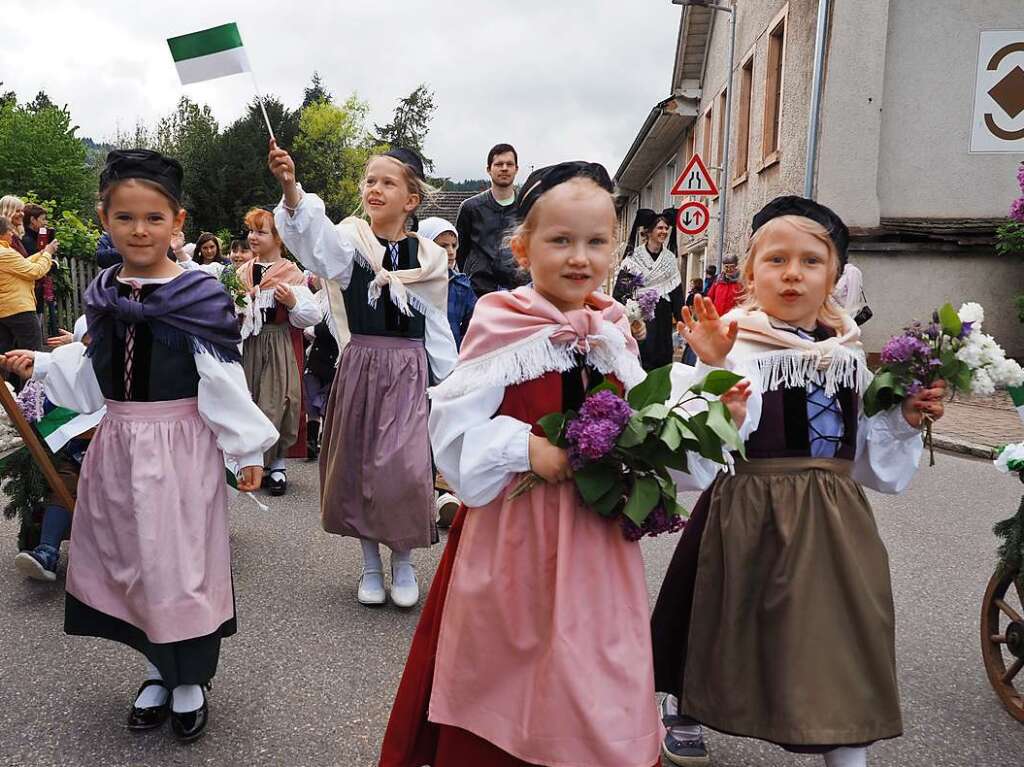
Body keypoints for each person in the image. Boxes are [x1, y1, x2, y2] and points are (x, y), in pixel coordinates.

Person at [377, 161, 751, 767]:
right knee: (508, 674)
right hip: (512, 541)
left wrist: (711, 398)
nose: (580, 257)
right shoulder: (501, 323)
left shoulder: (612, 333)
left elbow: (647, 446)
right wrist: (525, 448)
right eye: (560, 241)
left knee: (594, 677)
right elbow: (450, 434)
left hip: (597, 547)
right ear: (523, 247)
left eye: (596, 242)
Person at [650, 196, 947, 767]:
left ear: (835, 277)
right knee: (718, 615)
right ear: (750, 274)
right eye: (776, 260)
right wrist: (713, 371)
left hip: (834, 516)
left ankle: (845, 747)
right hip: (748, 504)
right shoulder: (733, 338)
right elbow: (695, 439)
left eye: (811, 261)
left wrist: (905, 421)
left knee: (844, 629)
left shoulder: (848, 354)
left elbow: (865, 459)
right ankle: (686, 705)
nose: (792, 273)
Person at [0, 149, 277, 743]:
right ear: (105, 220)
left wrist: (247, 451)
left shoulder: (198, 297)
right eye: (125, 217)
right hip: (120, 443)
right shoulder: (103, 295)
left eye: (154, 217)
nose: (140, 229)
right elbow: (90, 371)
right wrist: (43, 365)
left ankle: (189, 682)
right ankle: (155, 669)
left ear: (177, 222)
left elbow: (222, 381)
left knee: (180, 564)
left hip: (179, 449)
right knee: (135, 562)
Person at [269, 140, 457, 609]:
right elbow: (315, 244)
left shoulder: (429, 259)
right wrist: (292, 189)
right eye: (370, 181)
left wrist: (452, 385)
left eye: (387, 182)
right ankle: (370, 565)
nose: (375, 189)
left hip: (409, 371)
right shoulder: (351, 243)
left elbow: (436, 325)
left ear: (411, 200)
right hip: (361, 366)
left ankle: (404, 561)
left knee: (405, 470)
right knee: (361, 467)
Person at [237, 207, 321, 496]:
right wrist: (240, 306)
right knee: (250, 398)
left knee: (279, 400)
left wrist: (292, 303)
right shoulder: (242, 273)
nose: (253, 237)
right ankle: (251, 462)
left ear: (278, 237)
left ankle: (278, 464)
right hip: (250, 344)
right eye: (251, 231)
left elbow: (311, 316)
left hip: (279, 342)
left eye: (261, 231)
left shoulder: (291, 273)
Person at [616, 207, 685, 370]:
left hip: (663, 318)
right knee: (640, 359)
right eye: (660, 228)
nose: (664, 231)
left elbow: (676, 294)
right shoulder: (634, 258)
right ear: (649, 231)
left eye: (666, 228)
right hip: (640, 317)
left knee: (662, 361)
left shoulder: (669, 259)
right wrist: (627, 313)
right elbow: (621, 292)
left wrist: (683, 322)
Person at [455, 143, 524, 296]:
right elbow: (461, 251)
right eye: (499, 164)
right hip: (479, 291)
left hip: (519, 291)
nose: (504, 168)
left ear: (516, 169)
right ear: (488, 169)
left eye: (509, 164)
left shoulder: (526, 207)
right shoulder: (470, 208)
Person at [0, 214, 55, 356]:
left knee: (7, 356)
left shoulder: (5, 252)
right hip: (19, 309)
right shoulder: (6, 253)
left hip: (4, 311)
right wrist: (48, 255)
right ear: (3, 233)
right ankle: (31, 379)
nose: (12, 233)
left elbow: (22, 265)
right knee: (32, 355)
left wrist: (41, 254)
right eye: (9, 230)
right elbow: (34, 272)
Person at [418, 216, 476, 349]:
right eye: (443, 246)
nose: (451, 252)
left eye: (454, 245)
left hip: (451, 361)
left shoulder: (461, 286)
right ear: (425, 247)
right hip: (416, 358)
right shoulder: (408, 283)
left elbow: (474, 328)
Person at [302, 274, 338, 461]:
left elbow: (332, 328)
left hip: (333, 357)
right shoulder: (317, 298)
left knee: (330, 400)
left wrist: (314, 330)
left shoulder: (338, 298)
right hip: (316, 356)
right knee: (312, 399)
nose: (313, 277)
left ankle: (327, 439)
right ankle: (311, 439)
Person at [21, 203, 60, 337]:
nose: (45, 223)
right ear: (32, 220)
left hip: (36, 291)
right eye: (42, 219)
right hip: (31, 291)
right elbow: (39, 264)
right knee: (33, 333)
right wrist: (50, 258)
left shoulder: (38, 237)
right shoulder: (26, 240)